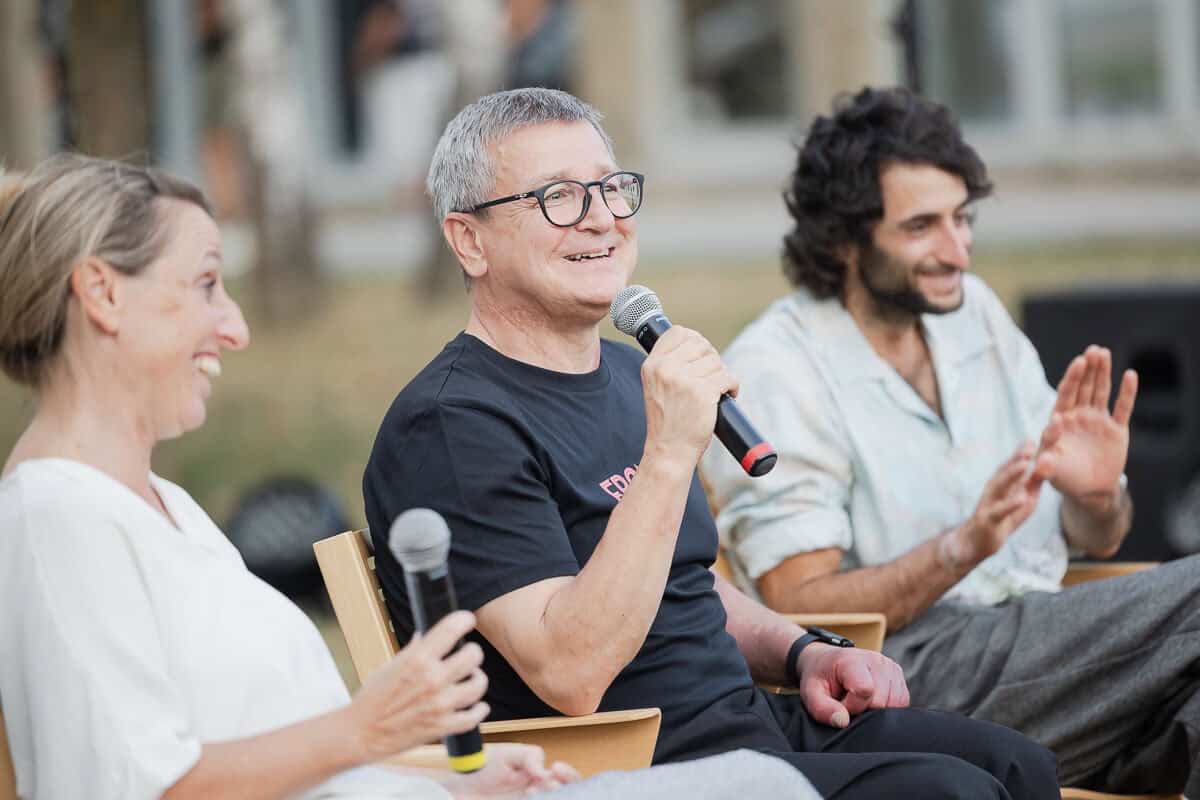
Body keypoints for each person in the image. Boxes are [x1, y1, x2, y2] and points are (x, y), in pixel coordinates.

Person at [0, 154, 812, 800]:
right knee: (768, 787)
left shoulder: (160, 507)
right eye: (207, 284)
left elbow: (279, 761)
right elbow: (136, 787)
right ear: (102, 293)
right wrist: (372, 729)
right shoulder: (55, 519)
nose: (236, 327)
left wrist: (434, 780)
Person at [363, 86, 1060, 800]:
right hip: (641, 766)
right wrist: (667, 455)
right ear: (468, 240)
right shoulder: (452, 426)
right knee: (950, 795)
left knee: (1017, 766)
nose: (601, 218)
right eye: (559, 198)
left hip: (749, 720)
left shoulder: (633, 372)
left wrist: (801, 653)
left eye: (610, 189)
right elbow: (569, 670)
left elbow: (688, 586)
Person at [701, 86, 1198, 797]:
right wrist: (958, 549)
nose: (956, 248)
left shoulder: (975, 317)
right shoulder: (780, 367)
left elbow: (1101, 536)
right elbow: (799, 604)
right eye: (922, 226)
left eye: (962, 219)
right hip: (905, 670)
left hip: (1048, 648)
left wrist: (1094, 501)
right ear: (844, 237)